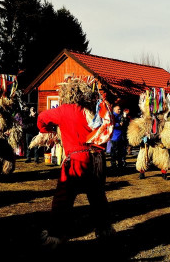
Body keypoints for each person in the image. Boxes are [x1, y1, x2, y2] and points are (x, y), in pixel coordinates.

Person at [37, 78, 114, 249]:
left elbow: (42, 118)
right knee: (97, 196)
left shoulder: (65, 110)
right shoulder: (96, 108)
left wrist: (47, 131)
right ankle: (104, 230)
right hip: (98, 159)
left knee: (63, 198)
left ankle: (56, 236)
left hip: (77, 159)